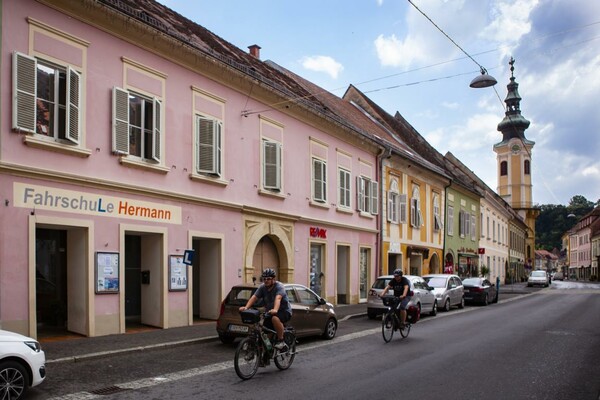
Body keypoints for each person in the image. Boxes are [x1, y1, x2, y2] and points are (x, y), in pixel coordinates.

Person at [240, 268, 292, 350]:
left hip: (284, 311)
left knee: (275, 318)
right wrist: (246, 307)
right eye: (264, 279)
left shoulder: (279, 286)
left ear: (273, 279)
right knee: (263, 329)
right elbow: (254, 297)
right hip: (270, 311)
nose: (266, 280)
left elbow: (278, 298)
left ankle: (281, 341)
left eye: (268, 279)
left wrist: (275, 309)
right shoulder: (262, 287)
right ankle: (266, 352)